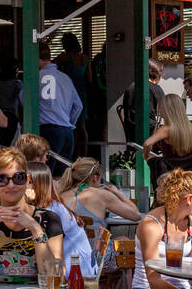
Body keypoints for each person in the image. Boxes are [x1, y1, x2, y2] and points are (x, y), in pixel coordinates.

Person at [0, 148, 64, 287]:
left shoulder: (49, 219)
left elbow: (53, 279)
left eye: (18, 178)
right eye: (2, 179)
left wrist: (36, 229)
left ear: (28, 180)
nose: (11, 185)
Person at [57, 158, 141, 234]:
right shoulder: (102, 195)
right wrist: (117, 193)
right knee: (123, 239)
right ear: (95, 178)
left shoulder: (60, 194)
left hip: (67, 250)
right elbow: (136, 215)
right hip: (94, 250)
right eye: (100, 178)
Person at [36, 42, 81, 176]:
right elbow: (78, 106)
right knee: (63, 177)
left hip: (48, 130)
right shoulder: (65, 78)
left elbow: (23, 99)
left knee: (45, 175)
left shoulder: (36, 77)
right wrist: (69, 123)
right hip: (67, 131)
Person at [144, 93, 192, 166]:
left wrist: (147, 157)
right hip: (191, 175)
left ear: (166, 110)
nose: (159, 110)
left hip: (173, 174)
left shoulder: (166, 129)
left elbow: (147, 143)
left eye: (161, 107)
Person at [56, 33, 90, 152]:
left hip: (68, 93)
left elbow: (49, 66)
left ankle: (72, 152)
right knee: (82, 127)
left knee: (71, 124)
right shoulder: (85, 58)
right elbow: (89, 79)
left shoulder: (65, 57)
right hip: (82, 93)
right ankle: (85, 153)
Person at [120, 59, 165, 142]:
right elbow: (166, 112)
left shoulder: (130, 87)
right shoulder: (155, 88)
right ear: (157, 74)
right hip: (150, 133)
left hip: (131, 133)